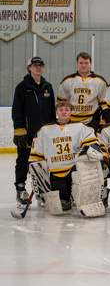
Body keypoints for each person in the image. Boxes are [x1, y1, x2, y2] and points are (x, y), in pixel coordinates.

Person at [28, 101, 102, 214]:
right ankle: (66, 198)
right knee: (63, 204)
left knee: (81, 185)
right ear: (56, 112)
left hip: (74, 167)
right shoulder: (45, 130)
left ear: (71, 112)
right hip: (55, 169)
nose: (64, 112)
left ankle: (78, 197)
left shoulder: (79, 127)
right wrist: (33, 164)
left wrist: (92, 147)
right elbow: (37, 150)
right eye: (61, 110)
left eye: (67, 110)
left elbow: (90, 140)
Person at [12, 56, 55, 207]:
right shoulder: (22, 87)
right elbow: (17, 111)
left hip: (44, 134)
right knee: (23, 162)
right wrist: (19, 130)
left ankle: (41, 191)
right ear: (29, 67)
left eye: (40, 65)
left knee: (42, 163)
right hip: (27, 134)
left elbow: (51, 111)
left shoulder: (48, 86)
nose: (38, 67)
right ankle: (21, 189)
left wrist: (52, 128)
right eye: (35, 65)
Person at [56, 52, 108, 130]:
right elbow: (61, 103)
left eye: (86, 63)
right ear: (77, 64)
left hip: (92, 121)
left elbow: (105, 104)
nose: (83, 65)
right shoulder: (67, 80)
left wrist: (104, 121)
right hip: (71, 121)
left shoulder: (100, 81)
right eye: (81, 63)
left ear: (91, 64)